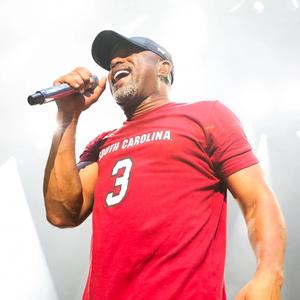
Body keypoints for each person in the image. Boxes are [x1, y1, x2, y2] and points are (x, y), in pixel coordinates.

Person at [43, 30, 286, 300]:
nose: (115, 63)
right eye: (111, 61)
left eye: (127, 53)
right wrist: (67, 115)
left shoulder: (205, 116)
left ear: (163, 66)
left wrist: (269, 273)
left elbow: (257, 200)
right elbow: (61, 213)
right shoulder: (102, 144)